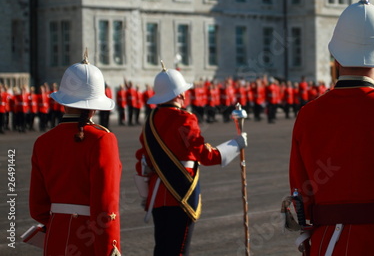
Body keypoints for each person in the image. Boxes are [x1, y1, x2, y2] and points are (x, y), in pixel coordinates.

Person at [288, 0, 374, 255]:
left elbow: (299, 190)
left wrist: (308, 240)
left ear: (336, 58)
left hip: (323, 244)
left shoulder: (309, 112)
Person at [135, 66, 247, 256]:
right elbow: (204, 155)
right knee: (179, 251)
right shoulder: (184, 119)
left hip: (156, 196)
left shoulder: (150, 121)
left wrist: (146, 196)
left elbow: (142, 163)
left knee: (162, 250)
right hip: (180, 195)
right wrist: (235, 145)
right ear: (180, 95)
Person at [29, 53, 122, 256]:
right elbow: (106, 207)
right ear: (94, 107)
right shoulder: (102, 139)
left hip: (55, 239)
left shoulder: (43, 142)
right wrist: (110, 249)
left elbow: (37, 208)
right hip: (88, 241)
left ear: (63, 100)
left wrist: (61, 221)